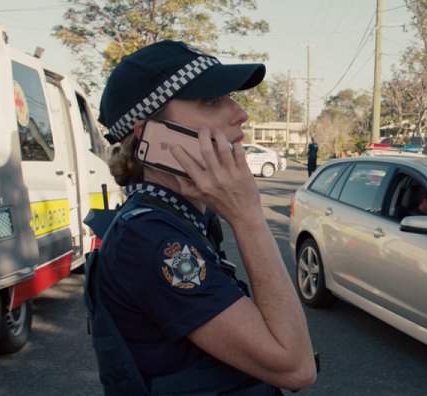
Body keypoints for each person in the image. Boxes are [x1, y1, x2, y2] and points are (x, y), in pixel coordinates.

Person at [85, 41, 316, 395]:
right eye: (211, 101)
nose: (240, 114)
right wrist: (249, 217)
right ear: (149, 135)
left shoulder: (179, 214)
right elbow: (295, 367)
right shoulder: (150, 238)